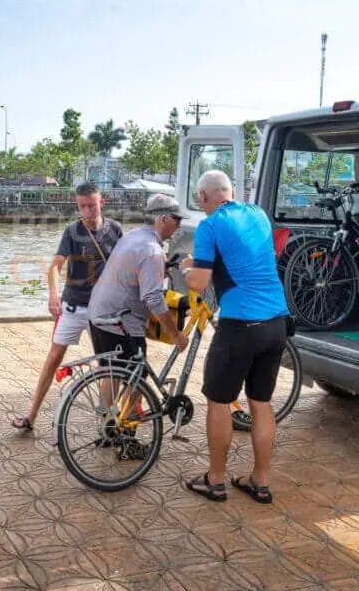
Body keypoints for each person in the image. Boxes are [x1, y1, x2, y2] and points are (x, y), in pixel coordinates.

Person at [178, 170, 290, 504]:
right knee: (261, 403)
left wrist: (184, 268)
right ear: (232, 192)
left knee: (219, 401)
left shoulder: (209, 226)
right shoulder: (257, 214)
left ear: (202, 198)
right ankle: (260, 480)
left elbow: (199, 282)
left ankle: (215, 480)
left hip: (241, 325)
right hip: (277, 323)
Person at [11, 182, 124, 431]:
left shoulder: (115, 229)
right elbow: (55, 266)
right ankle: (31, 415)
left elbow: (126, 264)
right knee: (53, 357)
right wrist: (53, 295)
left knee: (107, 365)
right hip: (74, 304)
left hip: (104, 309)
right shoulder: (72, 232)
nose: (87, 211)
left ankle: (108, 422)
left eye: (92, 205)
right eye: (82, 206)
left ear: (101, 202)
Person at [87, 193, 190, 369]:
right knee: (136, 380)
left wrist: (158, 271)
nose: (180, 225)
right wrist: (175, 335)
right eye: (177, 220)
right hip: (120, 323)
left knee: (110, 372)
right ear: (163, 219)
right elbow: (154, 299)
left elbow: (129, 271)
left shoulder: (132, 236)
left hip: (97, 314)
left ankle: (109, 399)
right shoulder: (153, 251)